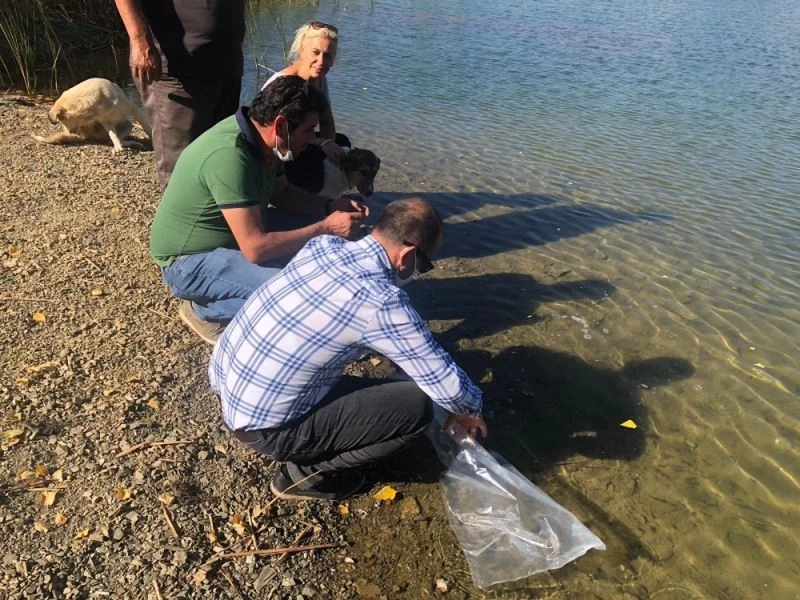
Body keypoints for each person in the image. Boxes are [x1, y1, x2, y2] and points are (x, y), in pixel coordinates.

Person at [209, 198, 489, 501]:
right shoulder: (382, 301)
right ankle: (304, 477)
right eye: (424, 264)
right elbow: (447, 386)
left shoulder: (324, 247)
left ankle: (302, 450)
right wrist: (471, 411)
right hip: (265, 428)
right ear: (407, 255)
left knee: (388, 381)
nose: (420, 271)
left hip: (227, 388)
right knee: (418, 407)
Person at [149, 76, 368, 344]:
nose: (313, 139)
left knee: (316, 258)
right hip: (186, 262)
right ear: (280, 124)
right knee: (293, 295)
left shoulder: (264, 141)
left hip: (233, 234)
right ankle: (206, 312)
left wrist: (329, 207)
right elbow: (255, 248)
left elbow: (284, 194)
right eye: (310, 130)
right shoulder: (229, 155)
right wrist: (327, 226)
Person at [114, 0, 246, 192]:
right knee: (181, 170)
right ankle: (179, 221)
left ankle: (214, 221)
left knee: (220, 161)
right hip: (178, 69)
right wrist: (140, 41)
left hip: (227, 64)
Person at [262, 21, 348, 165]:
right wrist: (321, 143)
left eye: (327, 56)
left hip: (300, 139)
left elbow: (326, 121)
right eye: (316, 52)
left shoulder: (320, 80)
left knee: (342, 143)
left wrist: (329, 150)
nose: (321, 61)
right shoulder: (284, 83)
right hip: (277, 147)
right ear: (302, 50)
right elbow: (272, 133)